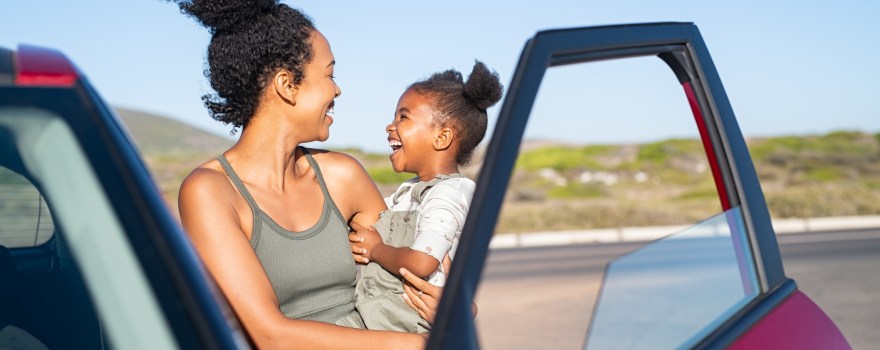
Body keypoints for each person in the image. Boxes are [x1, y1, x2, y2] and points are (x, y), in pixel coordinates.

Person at [174, 0, 438, 348]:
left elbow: (406, 271)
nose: (337, 89)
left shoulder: (343, 176)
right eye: (329, 74)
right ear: (287, 84)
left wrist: (445, 306)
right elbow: (270, 336)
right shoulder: (210, 192)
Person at [342, 62, 502, 333]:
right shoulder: (410, 189)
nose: (389, 127)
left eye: (403, 117)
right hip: (386, 315)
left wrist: (376, 250)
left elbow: (422, 261)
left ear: (442, 138)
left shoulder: (450, 193)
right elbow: (373, 225)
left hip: (409, 324)